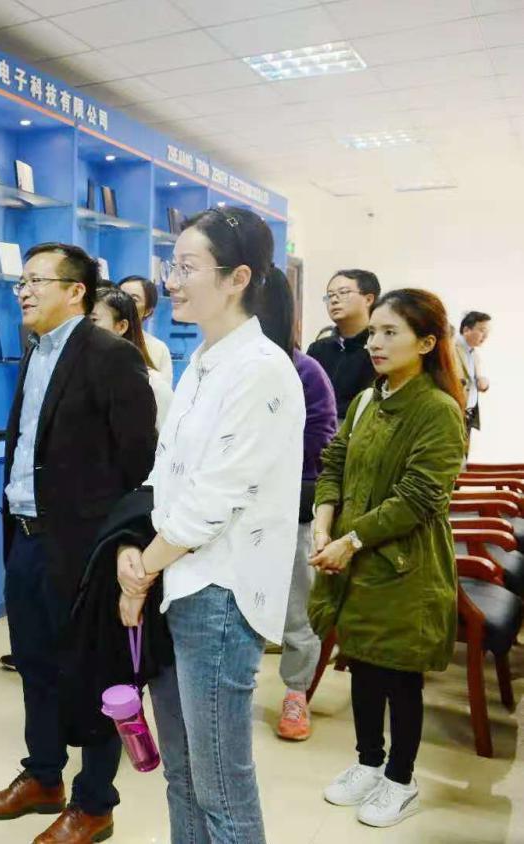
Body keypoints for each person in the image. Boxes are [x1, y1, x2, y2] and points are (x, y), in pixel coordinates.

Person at [117, 207, 305, 844]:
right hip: (178, 580)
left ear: (236, 278)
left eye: (187, 267)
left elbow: (213, 499)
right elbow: (168, 474)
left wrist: (143, 568)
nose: (171, 281)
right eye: (171, 266)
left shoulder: (262, 369)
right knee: (182, 775)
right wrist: (137, 552)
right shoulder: (202, 359)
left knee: (221, 786)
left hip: (218, 594)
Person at [0, 243, 156, 844]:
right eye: (20, 282)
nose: (23, 292)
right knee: (34, 664)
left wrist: (115, 540)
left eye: (35, 281)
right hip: (27, 535)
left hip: (85, 546)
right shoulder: (35, 351)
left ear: (76, 291)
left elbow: (139, 462)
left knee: (96, 673)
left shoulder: (111, 356)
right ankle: (43, 776)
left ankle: (95, 802)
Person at [309, 289, 466, 829]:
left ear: (426, 343)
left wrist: (349, 542)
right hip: (354, 559)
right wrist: (324, 523)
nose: (375, 342)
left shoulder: (438, 410)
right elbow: (333, 462)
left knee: (399, 674)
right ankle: (369, 762)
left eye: (390, 332)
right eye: (373, 332)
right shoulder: (366, 400)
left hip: (405, 567)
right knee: (363, 663)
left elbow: (419, 498)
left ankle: (401, 780)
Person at [254, 267, 338, 742]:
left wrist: (264, 462)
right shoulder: (220, 364)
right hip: (237, 507)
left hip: (292, 504)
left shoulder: (304, 370)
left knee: (296, 608)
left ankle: (296, 692)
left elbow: (321, 440)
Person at [92, 287, 174, 430]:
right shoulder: (74, 377)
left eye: (93, 320)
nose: (83, 328)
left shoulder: (153, 385)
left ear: (121, 326)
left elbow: (166, 438)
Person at [307, 269, 381, 419]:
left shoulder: (379, 348)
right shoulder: (318, 349)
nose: (334, 300)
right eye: (330, 295)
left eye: (343, 292)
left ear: (368, 299)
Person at [119, 274, 173, 383]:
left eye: (133, 299)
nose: (123, 303)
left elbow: (164, 391)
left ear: (148, 311)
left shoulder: (158, 349)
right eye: (120, 296)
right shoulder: (96, 339)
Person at [455, 311, 491, 443]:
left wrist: (484, 384)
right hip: (453, 413)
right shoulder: (450, 348)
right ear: (466, 330)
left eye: (487, 332)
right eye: (482, 330)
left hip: (469, 415)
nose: (486, 336)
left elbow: (474, 382)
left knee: (462, 452)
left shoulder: (474, 355)